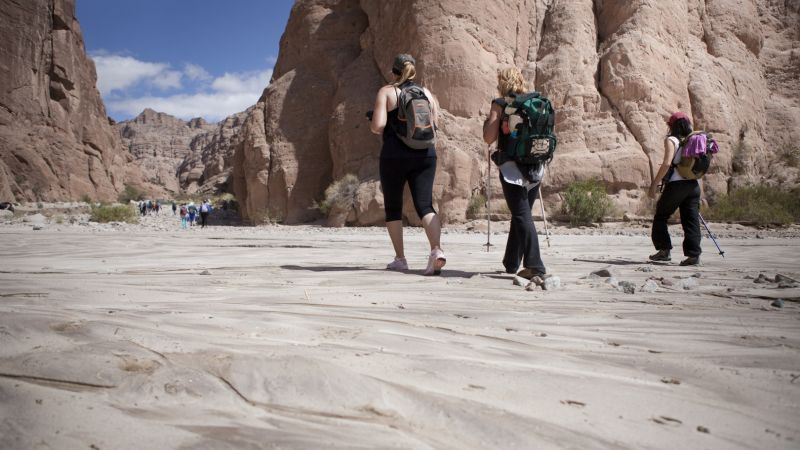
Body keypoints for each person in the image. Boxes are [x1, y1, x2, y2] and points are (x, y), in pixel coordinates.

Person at [369, 53, 446, 275]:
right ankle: (436, 251)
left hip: (395, 155)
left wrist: (373, 119)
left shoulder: (387, 91)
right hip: (425, 154)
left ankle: (400, 259)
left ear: (394, 72)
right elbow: (435, 124)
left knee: (394, 207)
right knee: (425, 205)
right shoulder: (427, 94)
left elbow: (378, 125)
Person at [482, 67, 547, 280]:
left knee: (521, 214)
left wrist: (489, 121)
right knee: (522, 213)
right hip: (536, 165)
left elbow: (489, 138)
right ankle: (511, 262)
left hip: (512, 168)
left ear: (502, 82)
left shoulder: (500, 104)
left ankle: (535, 265)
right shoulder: (534, 102)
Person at [648, 111, 702, 266]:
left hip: (676, 185)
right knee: (691, 220)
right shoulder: (694, 140)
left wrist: (654, 184)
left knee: (661, 215)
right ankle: (693, 256)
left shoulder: (671, 140)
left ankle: (664, 250)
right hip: (693, 185)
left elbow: (666, 164)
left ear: (671, 126)